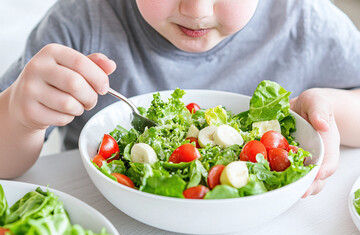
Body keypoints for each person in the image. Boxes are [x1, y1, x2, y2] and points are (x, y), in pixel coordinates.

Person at [0, 0, 359, 198]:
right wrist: (20, 116)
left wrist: (331, 106)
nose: (197, 8)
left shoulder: (308, 23)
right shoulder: (79, 21)